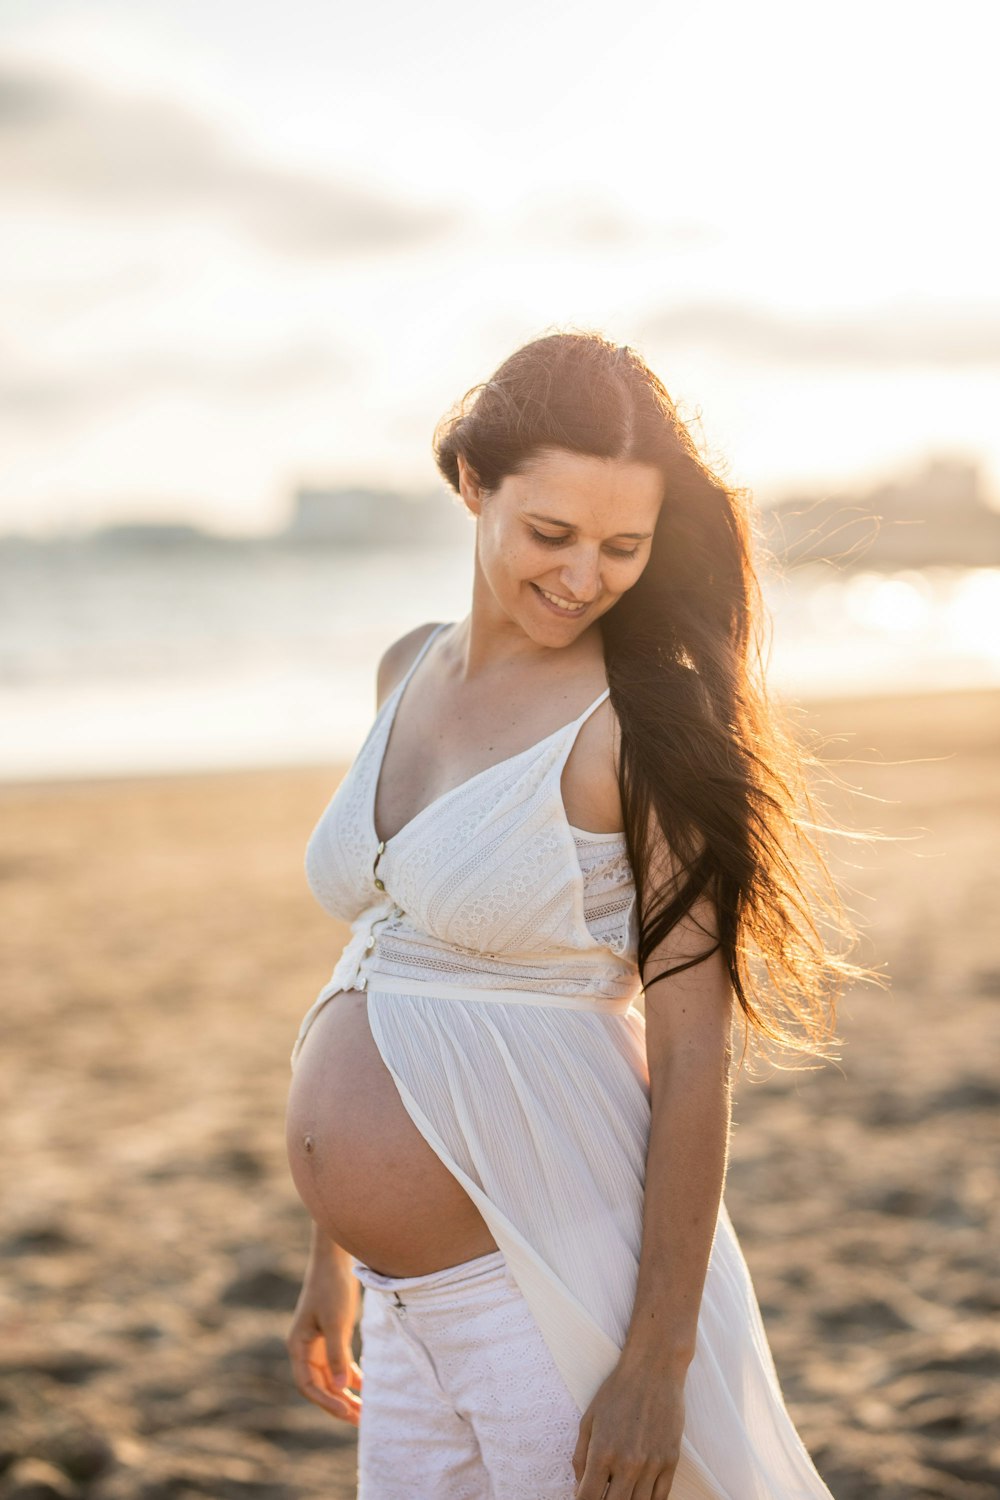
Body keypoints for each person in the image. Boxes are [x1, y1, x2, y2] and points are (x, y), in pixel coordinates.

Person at [284, 330, 869, 1499]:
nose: (583, 575)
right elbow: (380, 958)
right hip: (405, 1312)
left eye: (622, 546)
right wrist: (333, 1255)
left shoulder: (643, 727)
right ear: (471, 487)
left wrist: (658, 1359)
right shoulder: (407, 668)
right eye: (550, 534)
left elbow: (693, 1061)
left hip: (547, 1287)